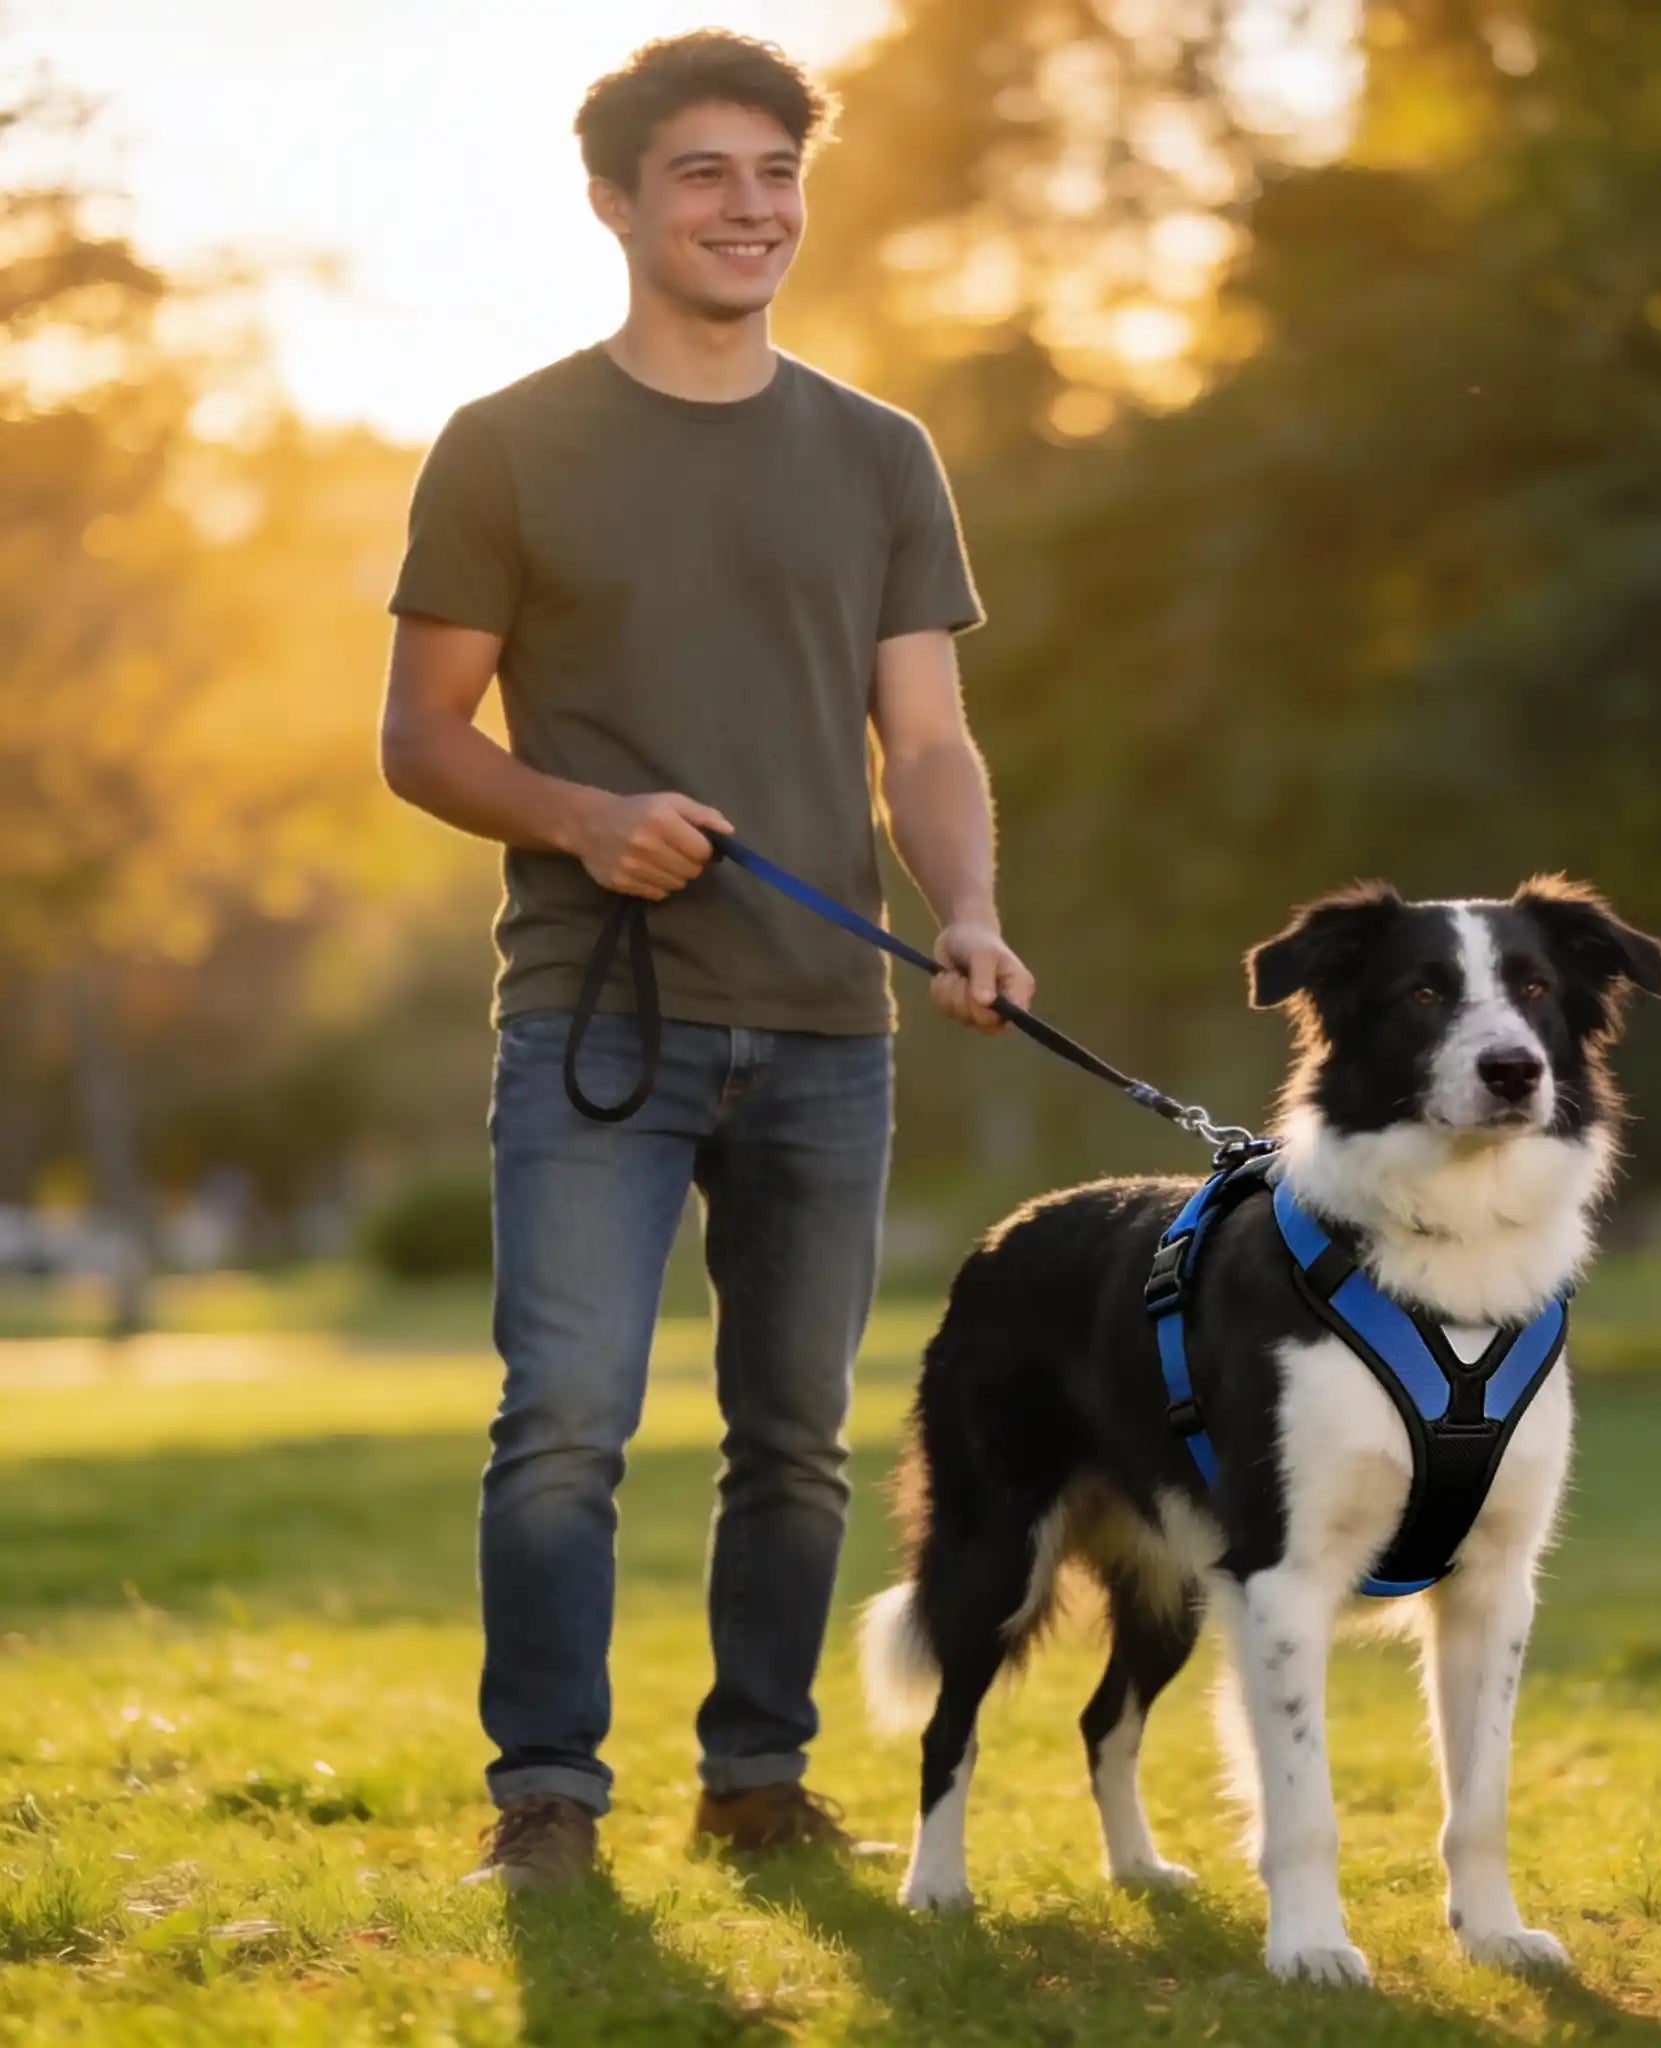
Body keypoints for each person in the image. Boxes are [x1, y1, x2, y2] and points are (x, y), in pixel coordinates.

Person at [378, 29, 1034, 1887]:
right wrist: (585, 819)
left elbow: (928, 740)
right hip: (598, 1017)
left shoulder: (879, 453)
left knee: (798, 1439)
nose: (750, 209)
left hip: (828, 1026)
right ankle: (546, 1799)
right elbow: (419, 737)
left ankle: (758, 1779)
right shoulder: (506, 445)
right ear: (615, 202)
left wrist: (968, 910)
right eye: (704, 175)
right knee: (564, 1421)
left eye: (776, 173)